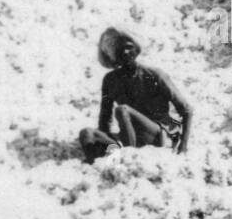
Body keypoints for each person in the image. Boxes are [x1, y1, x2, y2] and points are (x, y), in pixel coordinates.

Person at [78, 27, 192, 163]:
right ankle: (95, 164)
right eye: (120, 49)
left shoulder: (154, 75)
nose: (126, 52)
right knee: (87, 133)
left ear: (136, 49)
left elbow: (186, 110)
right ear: (114, 56)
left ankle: (129, 157)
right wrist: (103, 142)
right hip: (127, 137)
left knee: (122, 110)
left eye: (129, 47)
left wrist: (183, 145)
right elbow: (105, 119)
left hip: (155, 135)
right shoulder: (110, 80)